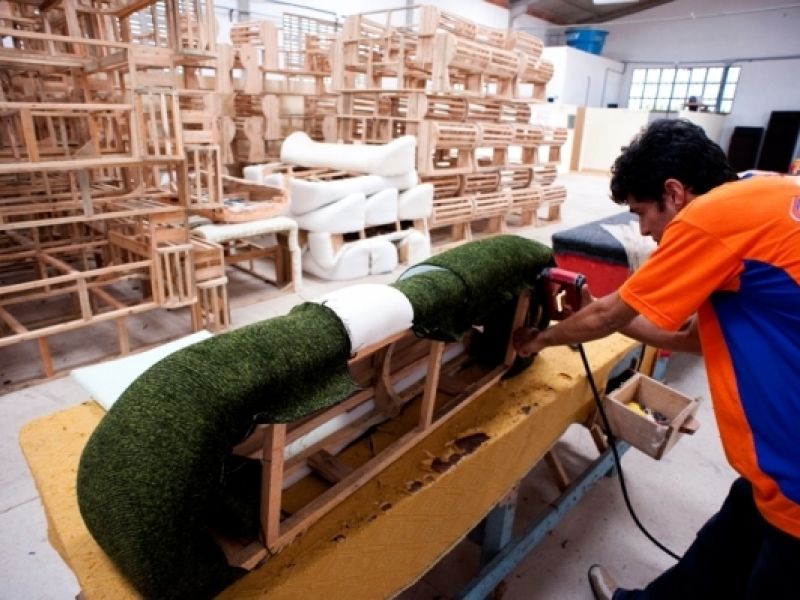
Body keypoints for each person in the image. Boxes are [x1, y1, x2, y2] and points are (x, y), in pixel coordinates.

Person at [514, 119, 800, 599]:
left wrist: (540, 340)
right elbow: (693, 338)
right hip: (776, 474)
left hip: (795, 473)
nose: (644, 230)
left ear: (674, 192)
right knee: (728, 542)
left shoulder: (709, 217)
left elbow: (608, 316)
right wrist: (600, 313)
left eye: (642, 213)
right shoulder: (755, 190)